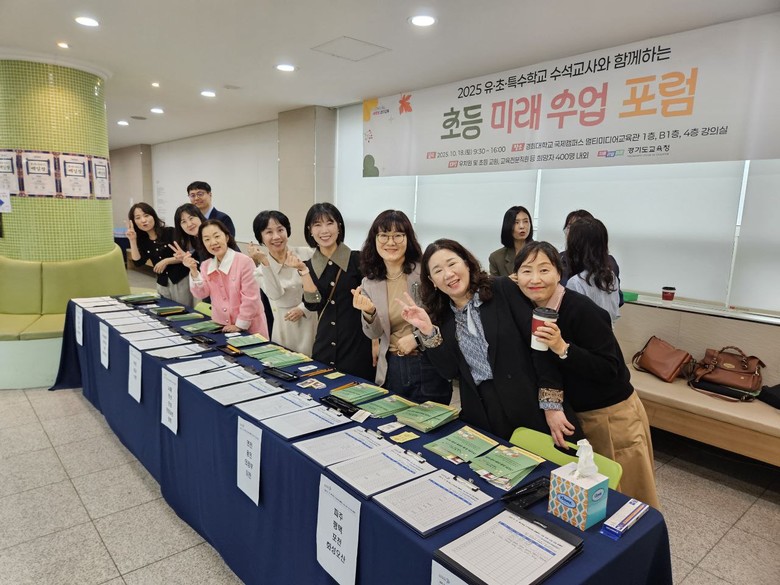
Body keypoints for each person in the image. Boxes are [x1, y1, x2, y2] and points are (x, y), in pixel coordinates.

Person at [514, 241, 660, 508]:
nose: (535, 279)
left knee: (625, 497)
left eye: (544, 270)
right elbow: (543, 362)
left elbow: (610, 369)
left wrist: (563, 347)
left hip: (612, 415)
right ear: (516, 277)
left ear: (559, 273)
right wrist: (551, 407)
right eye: (526, 271)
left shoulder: (582, 310)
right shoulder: (534, 310)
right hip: (578, 413)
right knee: (591, 499)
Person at [397, 238, 583, 441]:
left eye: (452, 264)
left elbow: (540, 346)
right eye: (438, 270)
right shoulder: (441, 315)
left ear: (467, 264)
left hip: (529, 401)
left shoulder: (502, 289)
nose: (448, 274)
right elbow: (449, 371)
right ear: (432, 280)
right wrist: (427, 331)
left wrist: (552, 405)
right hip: (482, 412)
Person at [352, 210, 451, 404]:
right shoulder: (369, 283)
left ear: (408, 239)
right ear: (374, 240)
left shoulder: (424, 272)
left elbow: (445, 315)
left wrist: (417, 338)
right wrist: (369, 312)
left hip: (427, 362)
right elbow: (374, 333)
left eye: (398, 235)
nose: (391, 242)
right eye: (384, 235)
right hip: (392, 365)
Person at [288, 203, 374, 380]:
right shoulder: (309, 266)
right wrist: (303, 271)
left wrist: (376, 343)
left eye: (330, 223)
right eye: (317, 225)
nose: (324, 230)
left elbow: (374, 305)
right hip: (324, 347)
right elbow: (313, 304)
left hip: (357, 348)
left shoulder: (359, 260)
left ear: (339, 226)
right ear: (310, 230)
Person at [182, 219, 268, 336]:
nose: (213, 242)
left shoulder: (244, 262)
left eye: (217, 236)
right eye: (207, 239)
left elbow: (251, 298)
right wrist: (193, 270)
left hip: (250, 328)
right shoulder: (206, 265)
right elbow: (201, 294)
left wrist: (239, 325)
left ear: (227, 237)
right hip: (221, 326)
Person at [248, 210, 316, 355]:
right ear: (260, 237)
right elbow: (276, 295)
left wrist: (303, 308)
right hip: (284, 325)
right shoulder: (260, 271)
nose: (276, 236)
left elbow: (319, 288)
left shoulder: (307, 254)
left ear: (287, 231)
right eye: (269, 232)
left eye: (280, 230)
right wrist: (265, 262)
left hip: (311, 321)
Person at [126, 202, 191, 306]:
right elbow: (138, 262)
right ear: (134, 222)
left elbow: (186, 256)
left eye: (146, 215)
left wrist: (167, 261)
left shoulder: (170, 232)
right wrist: (132, 240)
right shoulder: (142, 241)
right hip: (162, 283)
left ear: (153, 216)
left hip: (180, 280)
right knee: (165, 311)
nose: (143, 220)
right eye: (138, 218)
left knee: (184, 310)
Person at [560, 209, 623, 306]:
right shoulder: (559, 258)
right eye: (569, 227)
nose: (571, 232)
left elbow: (617, 300)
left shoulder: (577, 281)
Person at [564, 217, 620, 323]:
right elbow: (614, 313)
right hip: (608, 331)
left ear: (575, 246)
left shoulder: (576, 282)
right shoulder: (611, 277)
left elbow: (572, 322)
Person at [488, 205, 534, 278]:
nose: (522, 226)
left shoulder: (542, 252)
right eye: (516, 222)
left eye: (526, 221)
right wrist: (506, 280)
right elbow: (493, 283)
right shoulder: (496, 257)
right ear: (508, 226)